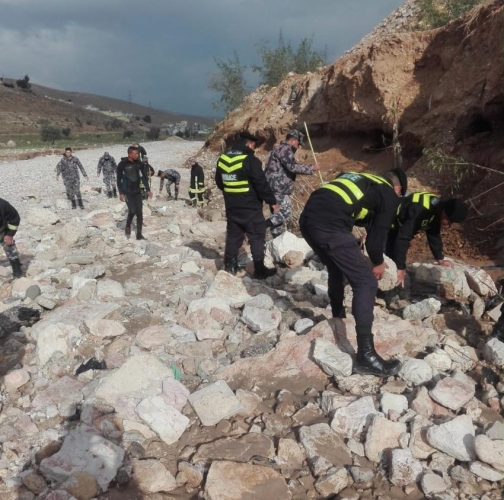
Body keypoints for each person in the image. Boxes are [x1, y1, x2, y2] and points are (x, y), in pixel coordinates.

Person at [300, 168, 407, 377]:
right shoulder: (389, 195)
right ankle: (366, 357)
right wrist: (378, 263)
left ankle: (338, 317)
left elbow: (351, 208)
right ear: (398, 189)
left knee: (336, 268)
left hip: (308, 220)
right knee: (366, 283)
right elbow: (376, 243)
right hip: (330, 225)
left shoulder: (359, 178)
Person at [215, 131, 280, 279]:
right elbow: (261, 184)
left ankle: (230, 267)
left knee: (233, 236)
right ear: (249, 144)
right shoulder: (250, 160)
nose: (254, 149)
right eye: (254, 145)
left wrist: (232, 194)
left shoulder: (223, 159)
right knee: (256, 236)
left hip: (232, 207)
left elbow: (220, 183)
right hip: (250, 207)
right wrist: (272, 202)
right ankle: (259, 270)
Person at [386, 194, 469, 286]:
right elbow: (403, 238)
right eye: (450, 221)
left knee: (394, 260)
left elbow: (434, 234)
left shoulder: (437, 210)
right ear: (445, 214)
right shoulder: (420, 211)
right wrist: (400, 267)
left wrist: (440, 259)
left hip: (397, 227)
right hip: (386, 222)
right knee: (384, 261)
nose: (449, 225)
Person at [265, 129, 321, 237]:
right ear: (292, 140)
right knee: (285, 213)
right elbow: (292, 167)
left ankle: (276, 239)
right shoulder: (285, 149)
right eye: (298, 144)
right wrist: (312, 168)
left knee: (277, 214)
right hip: (278, 188)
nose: (298, 147)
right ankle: (261, 226)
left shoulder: (276, 149)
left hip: (271, 187)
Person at [116, 146, 152, 240]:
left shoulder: (138, 163)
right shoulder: (122, 164)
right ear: (130, 154)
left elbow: (143, 177)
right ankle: (128, 225)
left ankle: (139, 235)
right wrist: (121, 193)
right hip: (127, 192)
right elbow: (118, 180)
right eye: (135, 154)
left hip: (137, 191)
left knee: (139, 212)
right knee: (132, 210)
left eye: (137, 153)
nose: (137, 155)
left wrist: (148, 189)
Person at [0, 198, 23, 278]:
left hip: (1, 229)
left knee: (9, 244)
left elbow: (15, 218)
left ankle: (17, 271)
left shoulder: (3, 205)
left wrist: (9, 235)